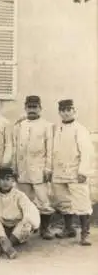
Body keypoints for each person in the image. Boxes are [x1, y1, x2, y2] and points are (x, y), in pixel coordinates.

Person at [52, 99, 94, 246]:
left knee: (82, 203)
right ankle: (69, 228)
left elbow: (87, 152)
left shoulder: (80, 129)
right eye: (62, 110)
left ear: (74, 110)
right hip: (59, 172)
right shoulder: (57, 128)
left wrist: (83, 171)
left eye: (68, 109)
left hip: (75, 172)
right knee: (63, 202)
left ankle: (85, 234)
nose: (65, 112)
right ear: (59, 112)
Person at [13, 95, 55, 240]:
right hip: (22, 169)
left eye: (35, 107)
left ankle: (45, 229)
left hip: (39, 169)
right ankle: (29, 227)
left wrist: (48, 169)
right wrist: (15, 167)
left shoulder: (47, 125)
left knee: (43, 201)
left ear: (40, 109)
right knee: (25, 200)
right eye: (29, 107)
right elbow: (15, 148)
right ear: (25, 108)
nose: (32, 110)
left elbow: (50, 149)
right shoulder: (19, 125)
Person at [0, 167, 40, 259]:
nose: (5, 182)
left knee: (26, 223)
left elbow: (29, 210)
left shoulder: (19, 195)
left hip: (16, 228)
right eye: (2, 179)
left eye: (7, 179)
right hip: (2, 228)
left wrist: (30, 223)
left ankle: (6, 246)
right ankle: (5, 243)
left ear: (12, 181)